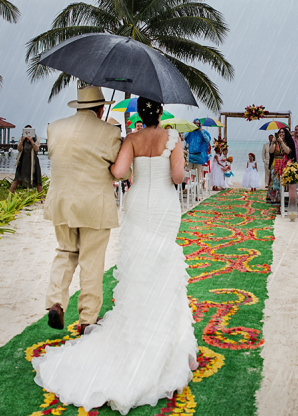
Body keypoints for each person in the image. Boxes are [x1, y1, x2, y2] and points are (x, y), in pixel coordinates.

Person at [32, 96, 197, 414]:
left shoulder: (130, 138)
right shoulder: (173, 138)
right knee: (161, 265)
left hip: (129, 205)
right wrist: (175, 164)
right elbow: (178, 178)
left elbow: (119, 172)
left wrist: (133, 163)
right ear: (161, 112)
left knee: (129, 265)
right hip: (163, 206)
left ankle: (112, 317)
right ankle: (160, 335)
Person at [41, 85, 121, 336]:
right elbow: (122, 171)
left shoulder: (54, 127)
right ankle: (87, 318)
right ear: (100, 108)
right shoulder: (109, 132)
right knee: (91, 260)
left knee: (65, 252)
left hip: (62, 202)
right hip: (94, 205)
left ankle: (56, 302)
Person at [10, 125, 43, 194]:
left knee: (38, 181)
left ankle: (42, 198)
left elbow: (36, 149)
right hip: (23, 161)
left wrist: (31, 140)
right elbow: (19, 149)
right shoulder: (22, 139)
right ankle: (10, 196)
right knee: (17, 180)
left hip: (33, 161)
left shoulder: (36, 139)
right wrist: (22, 140)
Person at [184, 119, 211, 196]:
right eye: (195, 123)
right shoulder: (191, 132)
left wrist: (201, 130)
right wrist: (190, 129)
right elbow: (184, 137)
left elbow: (207, 140)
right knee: (188, 174)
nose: (196, 125)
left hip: (199, 156)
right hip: (191, 156)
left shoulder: (203, 132)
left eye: (198, 124)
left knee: (198, 176)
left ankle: (198, 193)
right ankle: (187, 189)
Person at [268, 127, 294, 204]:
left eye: (283, 132)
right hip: (275, 163)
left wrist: (282, 142)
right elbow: (271, 151)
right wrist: (273, 142)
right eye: (280, 132)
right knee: (275, 181)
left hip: (284, 163)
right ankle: (276, 200)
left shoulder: (288, 142)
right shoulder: (275, 142)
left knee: (284, 182)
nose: (281, 133)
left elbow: (288, 151)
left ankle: (284, 200)